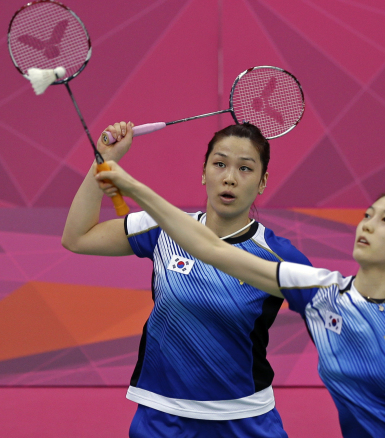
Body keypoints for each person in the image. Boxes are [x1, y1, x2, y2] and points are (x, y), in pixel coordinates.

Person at [93, 160, 385, 438]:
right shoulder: (321, 294)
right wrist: (132, 187)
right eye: (367, 215)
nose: (367, 225)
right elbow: (211, 250)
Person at [62, 121, 311, 438]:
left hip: (244, 419)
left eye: (245, 169)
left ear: (262, 182)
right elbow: (78, 237)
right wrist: (103, 158)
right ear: (204, 173)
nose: (229, 178)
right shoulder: (162, 227)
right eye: (219, 164)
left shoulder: (276, 255)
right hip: (163, 418)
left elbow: (331, 310)